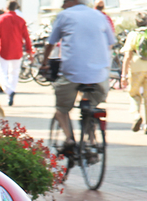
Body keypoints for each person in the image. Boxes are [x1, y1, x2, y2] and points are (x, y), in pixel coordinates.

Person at [39, 0, 115, 150]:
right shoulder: (100, 16)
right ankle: (92, 138)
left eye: (64, 1)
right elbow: (110, 43)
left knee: (61, 109)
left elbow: (51, 43)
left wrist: (44, 62)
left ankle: (69, 139)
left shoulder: (64, 15)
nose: (62, 5)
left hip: (72, 72)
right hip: (100, 75)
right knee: (91, 106)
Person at [0, 1, 32, 106]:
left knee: (1, 72)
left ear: (6, 7)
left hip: (3, 49)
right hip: (17, 50)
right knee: (14, 73)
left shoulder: (1, 19)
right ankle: (10, 92)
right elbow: (26, 36)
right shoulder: (20, 20)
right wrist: (29, 50)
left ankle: (9, 91)